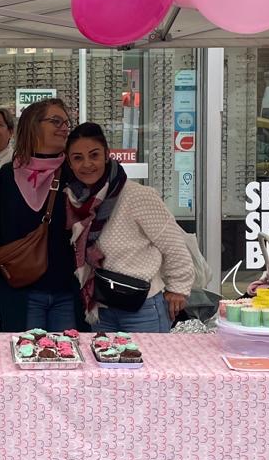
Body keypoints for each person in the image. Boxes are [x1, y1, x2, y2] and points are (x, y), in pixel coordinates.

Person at [62, 123, 194, 334]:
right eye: (78, 158)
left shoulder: (137, 195)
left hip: (143, 308)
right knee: (104, 366)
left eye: (94, 155)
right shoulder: (73, 201)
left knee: (151, 367)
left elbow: (174, 245)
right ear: (69, 162)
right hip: (100, 308)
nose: (87, 164)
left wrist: (178, 290)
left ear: (106, 155)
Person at [0, 99, 80, 331]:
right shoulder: (6, 176)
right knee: (25, 361)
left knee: (67, 361)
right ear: (33, 125)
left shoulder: (75, 174)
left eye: (66, 122)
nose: (64, 127)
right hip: (21, 293)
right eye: (55, 121)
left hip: (66, 292)